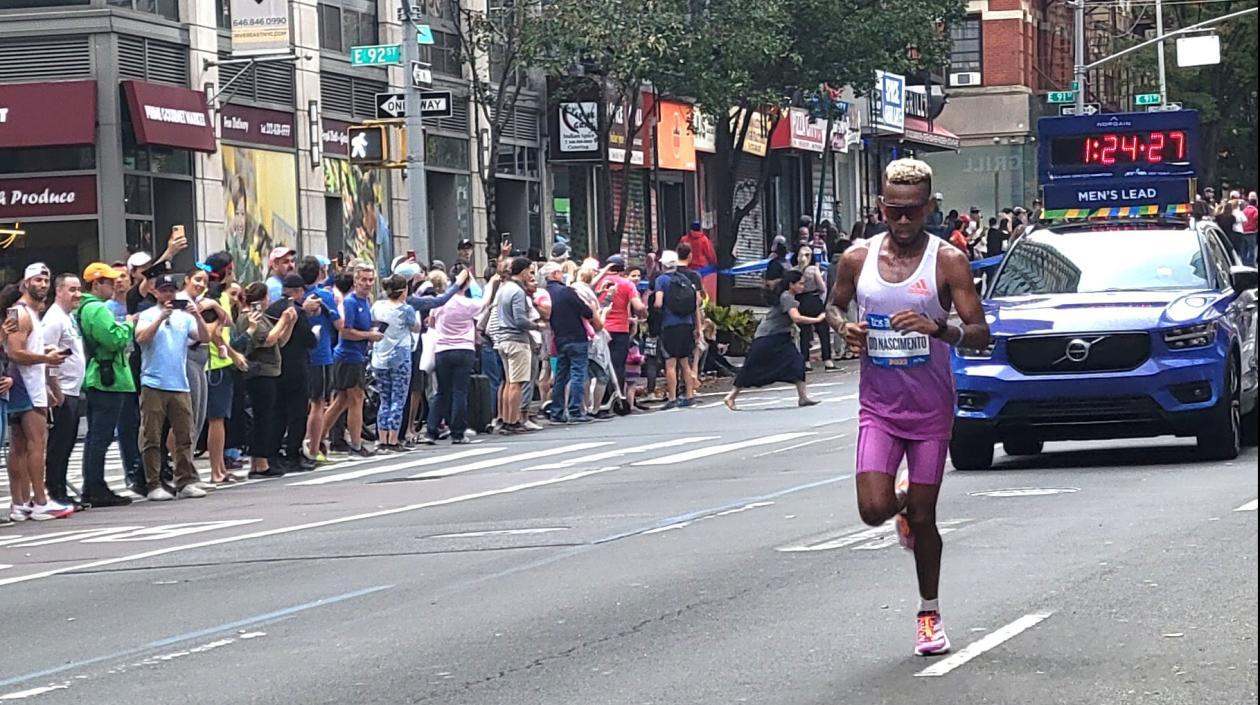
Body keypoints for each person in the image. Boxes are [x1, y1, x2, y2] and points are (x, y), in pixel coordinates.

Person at [832, 158, 991, 657]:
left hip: (929, 410)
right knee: (873, 509)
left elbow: (981, 335)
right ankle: (898, 510)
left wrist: (938, 329)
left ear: (929, 207)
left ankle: (929, 613)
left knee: (924, 517)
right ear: (881, 207)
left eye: (913, 212)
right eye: (894, 212)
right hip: (878, 407)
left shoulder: (947, 262)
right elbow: (835, 304)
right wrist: (844, 327)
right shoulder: (857, 259)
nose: (902, 223)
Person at [4, 265, 74, 521]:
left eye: (46, 280)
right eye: (37, 280)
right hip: (25, 383)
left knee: (21, 446)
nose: (43, 284)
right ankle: (39, 500)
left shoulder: (26, 313)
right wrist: (45, 358)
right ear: (25, 283)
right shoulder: (21, 313)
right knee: (35, 443)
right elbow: (14, 351)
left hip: (26, 383)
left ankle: (20, 503)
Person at [134, 274, 211, 501]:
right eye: (164, 290)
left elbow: (205, 338)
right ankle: (153, 482)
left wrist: (197, 317)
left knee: (185, 433)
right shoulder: (147, 315)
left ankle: (185, 479)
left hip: (179, 382)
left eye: (171, 290)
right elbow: (141, 339)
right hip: (153, 382)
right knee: (152, 435)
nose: (168, 294)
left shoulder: (183, 317)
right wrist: (160, 318)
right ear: (155, 292)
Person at [77, 263, 137, 507]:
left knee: (96, 436)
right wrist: (129, 325)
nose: (114, 286)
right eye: (109, 282)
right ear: (96, 284)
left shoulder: (83, 308)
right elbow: (113, 339)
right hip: (107, 378)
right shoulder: (97, 309)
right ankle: (95, 486)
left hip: (98, 376)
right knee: (100, 436)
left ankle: (93, 484)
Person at [723, 270, 824, 410]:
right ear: (791, 284)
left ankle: (803, 397)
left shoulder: (789, 297)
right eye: (800, 284)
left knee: (797, 362)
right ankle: (731, 396)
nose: (803, 287)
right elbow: (796, 317)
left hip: (782, 337)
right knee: (752, 366)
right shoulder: (787, 297)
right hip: (768, 337)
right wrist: (817, 319)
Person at [236, 282, 297, 477]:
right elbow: (267, 339)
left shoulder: (262, 318)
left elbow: (279, 341)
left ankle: (259, 459)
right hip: (259, 372)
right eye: (266, 297)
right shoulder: (249, 318)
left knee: (266, 416)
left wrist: (290, 323)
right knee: (262, 417)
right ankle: (260, 461)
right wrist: (283, 320)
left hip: (271, 371)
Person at [322, 264, 383, 456]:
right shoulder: (350, 302)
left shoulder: (365, 302)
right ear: (355, 281)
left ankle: (315, 438)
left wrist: (372, 331)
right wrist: (368, 336)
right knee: (355, 399)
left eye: (370, 280)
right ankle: (356, 443)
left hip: (355, 356)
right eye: (363, 279)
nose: (366, 283)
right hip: (348, 356)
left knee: (342, 401)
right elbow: (346, 332)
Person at [42, 273, 85, 506]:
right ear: (59, 291)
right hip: (62, 392)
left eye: (79, 289)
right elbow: (47, 356)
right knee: (59, 445)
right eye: (71, 289)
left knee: (67, 443)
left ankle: (61, 490)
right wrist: (53, 390)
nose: (77, 294)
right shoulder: (54, 319)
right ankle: (55, 492)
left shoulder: (69, 317)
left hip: (73, 389)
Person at [426, 274, 481, 443]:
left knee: (442, 391)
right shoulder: (469, 304)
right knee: (459, 391)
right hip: (464, 349)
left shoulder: (440, 302)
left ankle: (431, 429)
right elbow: (483, 305)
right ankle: (457, 432)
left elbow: (431, 323)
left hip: (442, 349)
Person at [271, 274, 318, 470]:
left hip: (276, 367)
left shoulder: (271, 309)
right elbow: (310, 341)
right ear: (298, 292)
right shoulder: (298, 312)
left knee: (278, 412)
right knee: (298, 413)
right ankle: (293, 453)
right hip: (297, 367)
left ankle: (274, 451)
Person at [542, 262, 597, 423]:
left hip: (559, 337)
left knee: (561, 375)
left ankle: (557, 411)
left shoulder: (545, 294)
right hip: (576, 336)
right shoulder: (567, 292)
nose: (562, 275)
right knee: (578, 374)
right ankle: (575, 410)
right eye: (559, 272)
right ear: (554, 275)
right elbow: (586, 311)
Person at [297, 256, 340, 463]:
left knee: (305, 402)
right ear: (320, 273)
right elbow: (339, 324)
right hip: (321, 354)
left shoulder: (299, 297)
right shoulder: (324, 296)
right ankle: (314, 447)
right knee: (318, 402)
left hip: (302, 355)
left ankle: (304, 443)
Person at [371, 274, 419, 451]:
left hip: (379, 357)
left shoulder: (377, 306)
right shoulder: (406, 309)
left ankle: (382, 437)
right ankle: (393, 438)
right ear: (403, 290)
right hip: (400, 357)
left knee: (384, 399)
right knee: (398, 399)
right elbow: (415, 326)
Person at [493, 257, 541, 433]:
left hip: (502, 338)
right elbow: (520, 319)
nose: (531, 275)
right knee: (517, 383)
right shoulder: (518, 292)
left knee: (508, 381)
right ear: (522, 272)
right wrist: (536, 325)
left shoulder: (503, 288)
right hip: (516, 339)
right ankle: (513, 421)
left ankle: (506, 418)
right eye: (529, 271)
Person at [653, 250, 702, 409]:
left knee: (670, 363)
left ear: (662, 264)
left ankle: (672, 397)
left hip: (670, 325)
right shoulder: (685, 279)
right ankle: (689, 395)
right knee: (685, 362)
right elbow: (697, 302)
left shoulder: (661, 280)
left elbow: (659, 303)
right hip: (686, 324)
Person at [599, 254, 646, 402]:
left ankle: (600, 399)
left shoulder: (599, 282)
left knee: (601, 364)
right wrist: (643, 313)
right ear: (622, 269)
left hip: (600, 327)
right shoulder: (627, 284)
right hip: (620, 329)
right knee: (618, 365)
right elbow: (638, 306)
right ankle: (617, 396)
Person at [793, 243, 833, 372]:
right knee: (823, 331)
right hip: (814, 300)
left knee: (804, 333)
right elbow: (822, 287)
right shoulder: (814, 270)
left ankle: (806, 362)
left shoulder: (793, 270)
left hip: (800, 302)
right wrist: (821, 300)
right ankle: (827, 361)